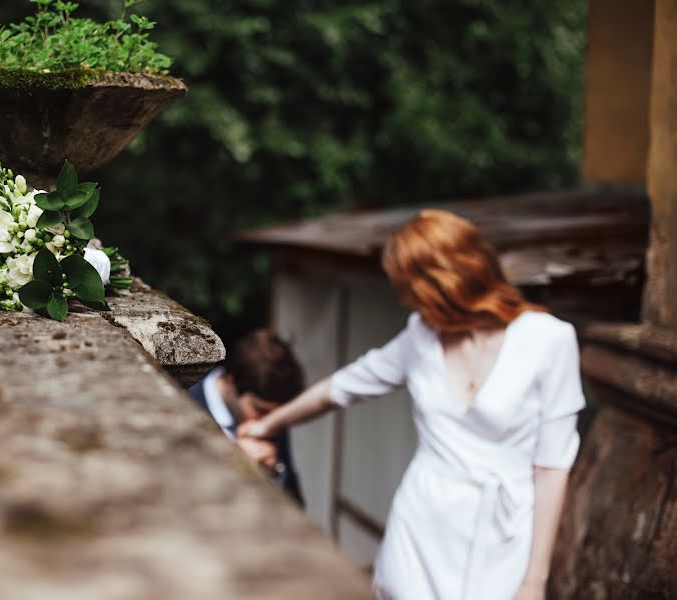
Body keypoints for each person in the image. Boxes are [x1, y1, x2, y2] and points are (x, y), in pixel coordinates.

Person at [239, 209, 584, 600]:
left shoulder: (549, 340)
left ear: (445, 283)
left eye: (410, 289)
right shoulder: (421, 335)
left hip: (502, 539)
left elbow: (553, 466)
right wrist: (269, 425)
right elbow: (344, 387)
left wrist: (534, 581)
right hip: (420, 526)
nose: (407, 302)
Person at [188, 329, 305, 505]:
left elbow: (297, 504)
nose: (271, 422)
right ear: (230, 383)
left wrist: (273, 475)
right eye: (262, 410)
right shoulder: (186, 403)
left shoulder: (274, 419)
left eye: (279, 413)